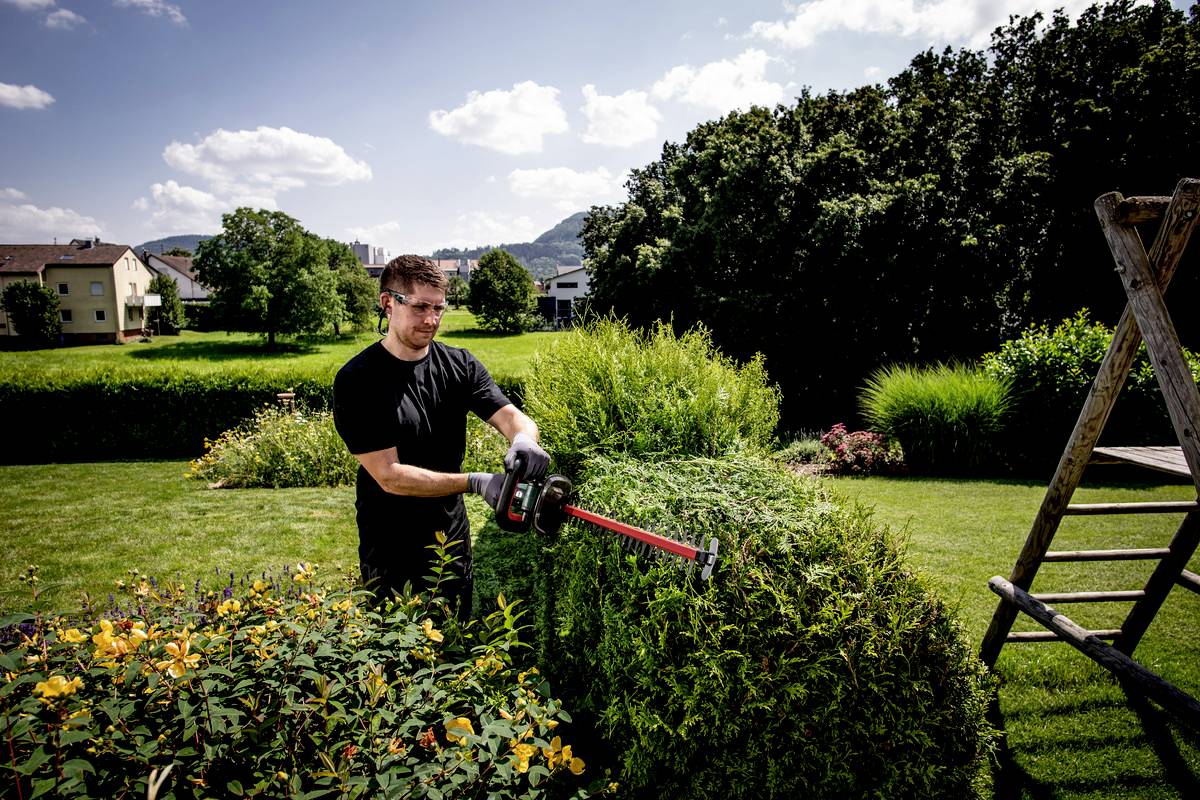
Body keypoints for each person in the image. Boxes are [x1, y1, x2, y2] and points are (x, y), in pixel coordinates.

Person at [332, 254, 548, 617]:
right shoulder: (358, 380)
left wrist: (524, 439)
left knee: (455, 649)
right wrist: (475, 482)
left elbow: (511, 416)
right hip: (390, 548)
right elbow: (390, 476)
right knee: (396, 659)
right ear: (388, 303)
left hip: (451, 539)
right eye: (420, 307)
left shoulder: (459, 365)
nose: (431, 320)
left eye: (439, 308)